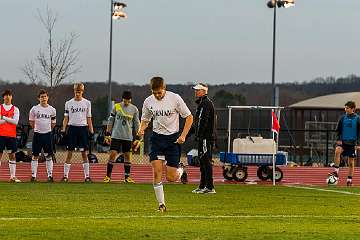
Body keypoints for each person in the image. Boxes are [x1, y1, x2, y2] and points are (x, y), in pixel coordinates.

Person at [137, 76, 193, 212]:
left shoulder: (175, 98)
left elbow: (189, 117)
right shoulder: (148, 101)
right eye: (154, 93)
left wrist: (183, 136)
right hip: (156, 139)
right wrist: (141, 129)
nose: (156, 95)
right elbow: (145, 119)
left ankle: (181, 170)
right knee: (157, 173)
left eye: (159, 93)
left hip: (173, 140)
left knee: (171, 178)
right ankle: (161, 205)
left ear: (164, 89)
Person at [103, 90, 140, 183]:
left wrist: (138, 137)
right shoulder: (117, 106)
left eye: (128, 100)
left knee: (128, 156)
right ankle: (108, 176)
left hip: (128, 137)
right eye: (125, 100)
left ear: (130, 99)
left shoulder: (134, 109)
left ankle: (127, 178)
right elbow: (110, 120)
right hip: (116, 135)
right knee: (112, 154)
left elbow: (137, 124)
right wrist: (108, 133)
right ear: (122, 99)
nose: (126, 102)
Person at [61, 83, 94, 182]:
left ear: (82, 91)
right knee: (69, 152)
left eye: (79, 91)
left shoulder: (87, 103)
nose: (78, 93)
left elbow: (89, 118)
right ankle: (66, 176)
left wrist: (91, 130)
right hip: (72, 128)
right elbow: (66, 117)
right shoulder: (69, 103)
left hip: (83, 128)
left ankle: (87, 176)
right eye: (76, 91)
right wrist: (63, 128)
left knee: (84, 153)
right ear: (74, 91)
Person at [191, 83, 216, 194]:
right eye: (195, 90)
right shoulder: (202, 103)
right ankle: (202, 186)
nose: (196, 92)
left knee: (206, 162)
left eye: (198, 90)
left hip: (206, 138)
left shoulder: (206, 104)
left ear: (204, 91)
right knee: (202, 162)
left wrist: (200, 135)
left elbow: (203, 121)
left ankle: (210, 187)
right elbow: (197, 122)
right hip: (202, 138)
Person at [329, 101, 360, 186]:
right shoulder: (342, 118)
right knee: (337, 151)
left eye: (347, 108)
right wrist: (338, 139)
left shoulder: (358, 118)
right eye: (345, 108)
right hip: (343, 141)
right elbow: (338, 130)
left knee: (351, 162)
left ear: (353, 109)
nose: (345, 109)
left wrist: (358, 143)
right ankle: (336, 172)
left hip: (352, 143)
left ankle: (349, 180)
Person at [29, 89, 56, 182]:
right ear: (38, 98)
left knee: (48, 156)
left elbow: (53, 122)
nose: (43, 98)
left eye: (45, 96)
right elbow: (31, 122)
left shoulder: (52, 110)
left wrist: (47, 130)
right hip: (37, 135)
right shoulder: (34, 109)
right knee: (35, 155)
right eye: (41, 97)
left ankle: (50, 175)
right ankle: (33, 176)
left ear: (47, 97)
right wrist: (37, 129)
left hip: (47, 135)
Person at [0, 89, 21, 182]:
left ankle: (12, 177)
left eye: (9, 95)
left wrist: (3, 117)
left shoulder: (15, 109)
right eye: (5, 95)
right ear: (3, 97)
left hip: (11, 135)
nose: (7, 97)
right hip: (1, 135)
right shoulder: (0, 108)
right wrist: (10, 119)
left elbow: (15, 122)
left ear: (11, 97)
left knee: (12, 155)